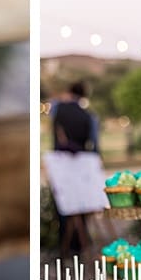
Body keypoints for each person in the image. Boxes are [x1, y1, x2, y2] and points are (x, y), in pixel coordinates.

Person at [49, 82, 100, 255]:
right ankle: (80, 241)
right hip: (83, 165)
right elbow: (94, 145)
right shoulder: (88, 116)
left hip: (60, 164)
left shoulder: (58, 109)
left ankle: (66, 243)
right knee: (82, 203)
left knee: (64, 205)